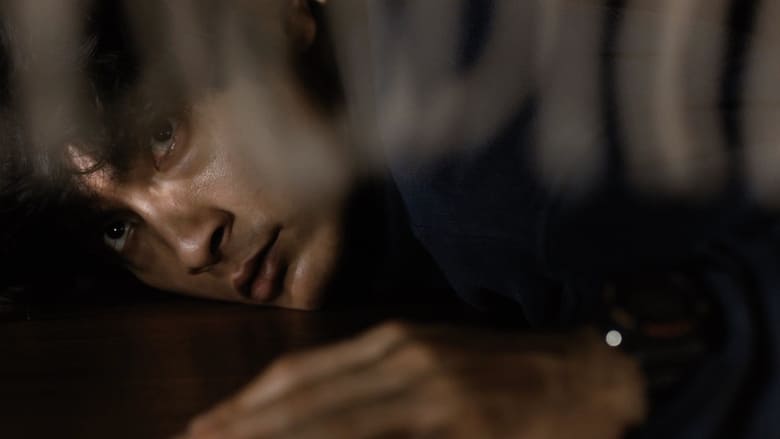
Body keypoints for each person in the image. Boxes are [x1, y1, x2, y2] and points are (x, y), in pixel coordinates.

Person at [1, 1, 778, 438]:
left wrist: (603, 371)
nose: (189, 243)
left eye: (161, 136)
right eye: (117, 227)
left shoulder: (472, 153)